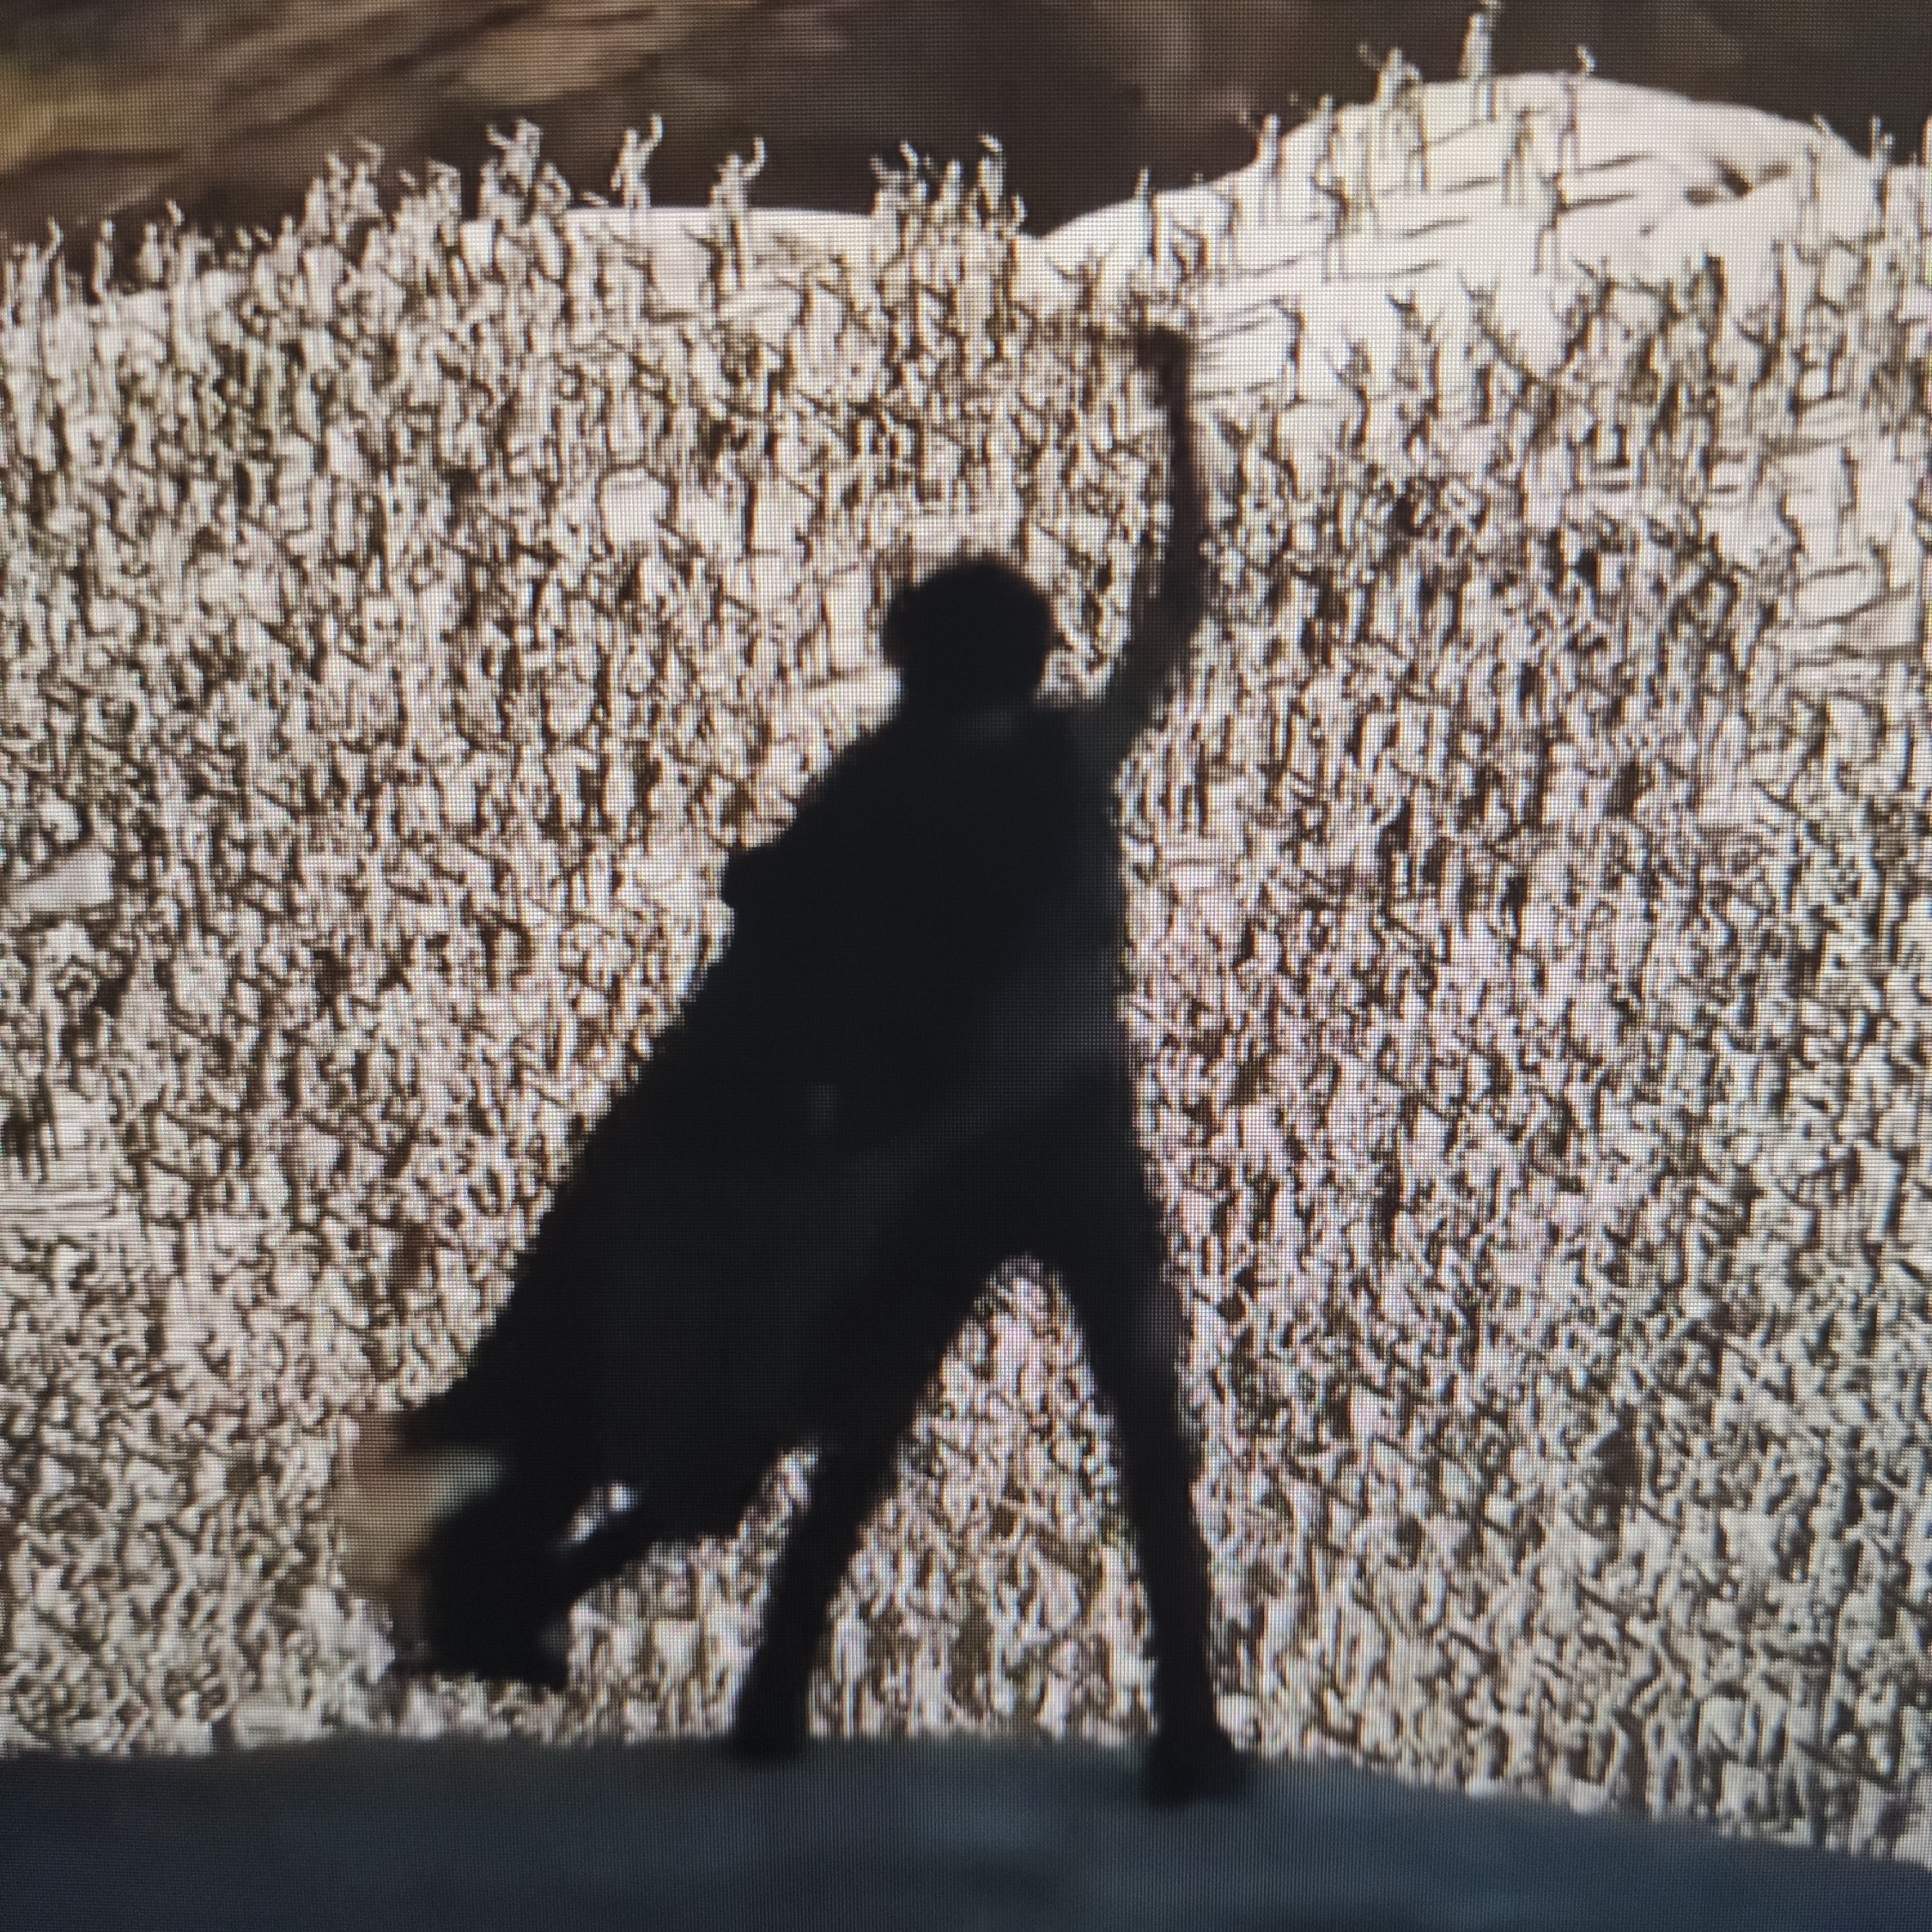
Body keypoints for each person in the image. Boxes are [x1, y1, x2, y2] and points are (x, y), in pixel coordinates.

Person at [343, 329, 1243, 1801]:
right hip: (1068, 1145)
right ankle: (1186, 1722)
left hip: (935, 1158)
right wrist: (1178, 418)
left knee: (854, 1428)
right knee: (1134, 1433)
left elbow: (778, 955)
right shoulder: (1061, 761)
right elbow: (1176, 610)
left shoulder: (880, 786)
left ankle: (758, 1693)